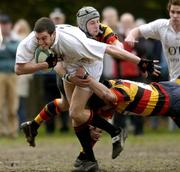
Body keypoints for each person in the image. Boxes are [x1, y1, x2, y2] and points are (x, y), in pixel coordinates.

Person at [16, 17, 157, 171]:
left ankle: (115, 131)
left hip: (90, 66)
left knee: (77, 111)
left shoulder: (76, 43)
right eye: (38, 38)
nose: (41, 43)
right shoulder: (32, 41)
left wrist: (140, 62)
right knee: (72, 110)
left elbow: (110, 49)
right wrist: (48, 65)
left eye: (44, 39)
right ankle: (89, 159)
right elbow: (19, 69)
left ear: (53, 34)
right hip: (69, 67)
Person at [125, 0, 180, 132]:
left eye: (179, 13)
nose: (175, 15)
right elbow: (137, 30)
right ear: (169, 11)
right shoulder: (162, 26)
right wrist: (131, 36)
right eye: (172, 12)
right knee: (174, 110)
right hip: (174, 78)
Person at [76, 68, 180, 129]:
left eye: (102, 109)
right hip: (165, 89)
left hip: (171, 100)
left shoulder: (116, 94)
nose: (103, 111)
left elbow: (108, 96)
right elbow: (100, 122)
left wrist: (87, 78)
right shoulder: (112, 84)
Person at [0, 13, 19, 138]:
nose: (3, 26)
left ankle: (13, 130)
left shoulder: (15, 38)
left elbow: (17, 52)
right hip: (0, 74)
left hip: (12, 75)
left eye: (5, 24)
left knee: (13, 104)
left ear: (10, 25)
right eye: (1, 24)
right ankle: (2, 130)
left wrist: (5, 46)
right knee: (0, 104)